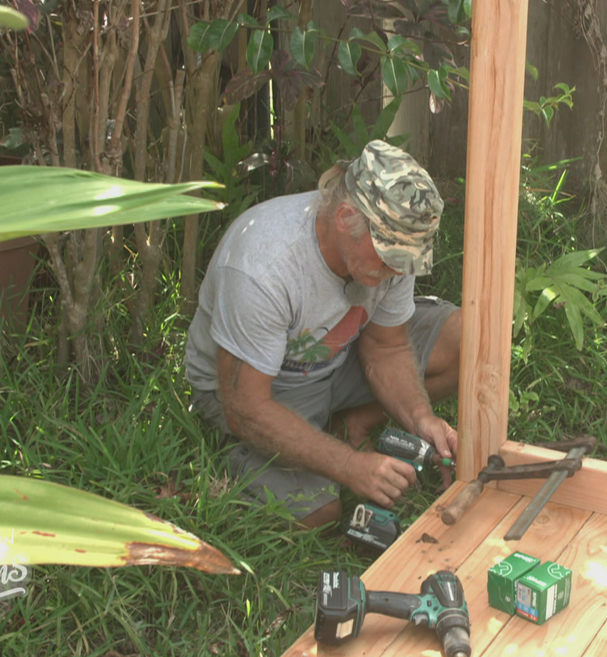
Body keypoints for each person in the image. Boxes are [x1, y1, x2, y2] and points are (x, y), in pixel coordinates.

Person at [185, 140, 461, 529]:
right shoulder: (263, 266)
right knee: (320, 515)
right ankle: (240, 458)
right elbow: (246, 406)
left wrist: (420, 418)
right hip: (260, 389)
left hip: (337, 359)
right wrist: (349, 467)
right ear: (346, 217)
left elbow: (387, 345)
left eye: (408, 260)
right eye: (392, 258)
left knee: (464, 341)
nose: (400, 272)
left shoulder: (389, 258)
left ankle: (345, 427)